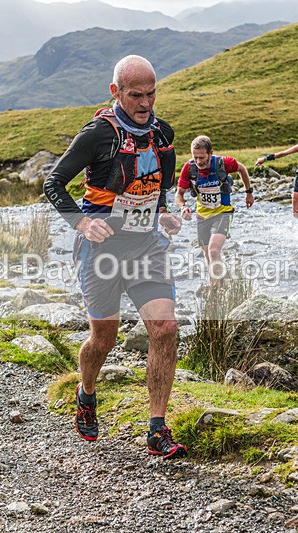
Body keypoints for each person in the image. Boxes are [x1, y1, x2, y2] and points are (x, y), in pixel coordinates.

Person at [43, 55, 187, 459]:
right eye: (136, 95)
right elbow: (53, 183)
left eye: (151, 94)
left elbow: (158, 189)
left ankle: (157, 428)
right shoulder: (97, 135)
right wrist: (82, 223)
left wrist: (163, 213)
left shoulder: (162, 134)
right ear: (116, 92)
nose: (145, 103)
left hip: (146, 247)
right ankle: (86, 392)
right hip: (101, 250)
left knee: (165, 328)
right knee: (103, 339)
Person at [174, 135, 254, 285]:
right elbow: (179, 195)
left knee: (213, 250)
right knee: (207, 255)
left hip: (223, 212)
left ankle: (219, 288)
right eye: (195, 157)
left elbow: (242, 169)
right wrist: (183, 207)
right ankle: (216, 283)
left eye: (202, 157)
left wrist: (248, 192)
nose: (198, 161)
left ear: (211, 153)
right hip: (202, 216)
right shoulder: (189, 168)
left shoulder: (223, 163)